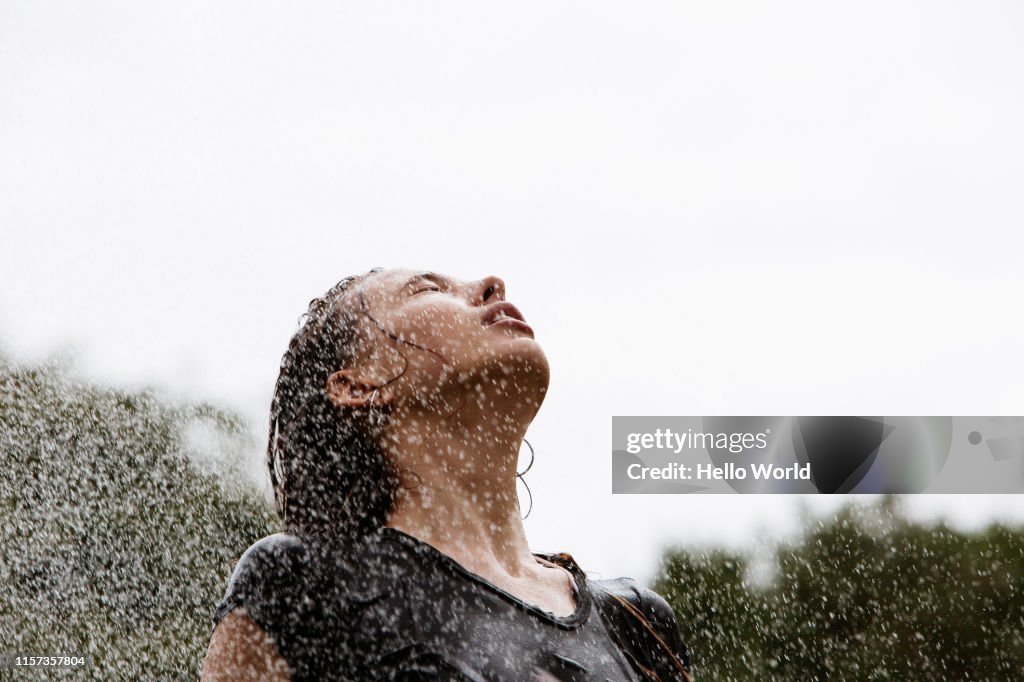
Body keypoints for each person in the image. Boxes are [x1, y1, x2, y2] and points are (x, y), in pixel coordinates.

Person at [201, 267, 692, 681]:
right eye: (428, 289)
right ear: (358, 385)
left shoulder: (636, 620)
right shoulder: (302, 583)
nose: (490, 284)